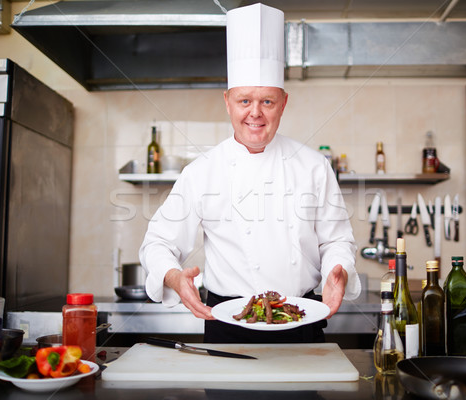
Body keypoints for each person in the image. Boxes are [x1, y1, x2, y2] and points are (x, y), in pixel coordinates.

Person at [139, 3, 360, 343]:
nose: (255, 113)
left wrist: (337, 270)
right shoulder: (201, 172)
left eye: (267, 102)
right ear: (227, 101)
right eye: (244, 101)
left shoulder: (315, 166)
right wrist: (173, 276)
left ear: (284, 102)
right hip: (228, 324)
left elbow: (336, 240)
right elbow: (158, 244)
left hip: (302, 319)